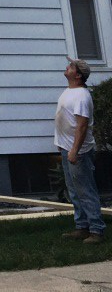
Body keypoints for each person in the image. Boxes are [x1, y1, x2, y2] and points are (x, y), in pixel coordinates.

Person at [55, 57, 105, 243]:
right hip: (67, 149)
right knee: (74, 190)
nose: (67, 67)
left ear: (77, 74)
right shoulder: (70, 91)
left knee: (85, 190)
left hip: (79, 152)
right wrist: (61, 144)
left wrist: (75, 150)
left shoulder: (82, 96)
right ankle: (82, 227)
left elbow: (82, 126)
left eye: (71, 66)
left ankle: (97, 230)